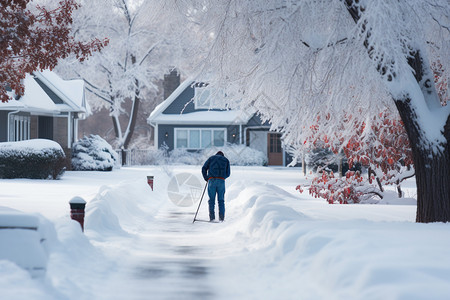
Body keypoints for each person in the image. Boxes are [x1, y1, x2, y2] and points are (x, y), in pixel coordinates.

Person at [201, 151, 230, 222]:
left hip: (212, 180)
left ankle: (212, 218)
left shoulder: (211, 158)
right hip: (221, 181)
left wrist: (206, 177)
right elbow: (228, 173)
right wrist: (222, 177)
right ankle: (221, 218)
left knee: (211, 200)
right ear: (222, 155)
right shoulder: (226, 160)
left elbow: (204, 168)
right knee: (221, 200)